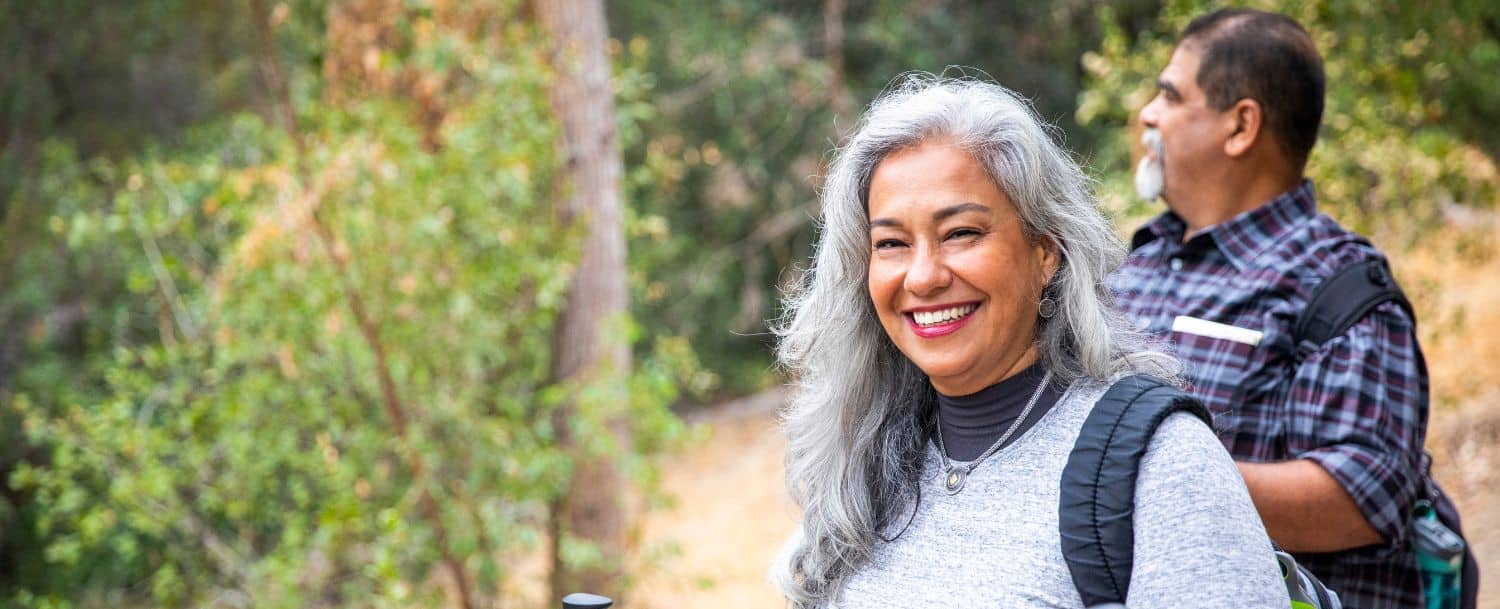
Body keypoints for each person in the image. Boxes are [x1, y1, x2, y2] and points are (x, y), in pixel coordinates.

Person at [770, 74, 1288, 609]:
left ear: (1046, 252)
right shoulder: (861, 458)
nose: (922, 277)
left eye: (961, 234)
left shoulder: (1160, 460)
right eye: (892, 243)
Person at [1111, 9, 1474, 609]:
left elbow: (1362, 496)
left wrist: (1138, 475)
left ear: (1240, 126)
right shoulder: (1135, 265)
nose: (1148, 114)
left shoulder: (1338, 286)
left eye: (1170, 96)